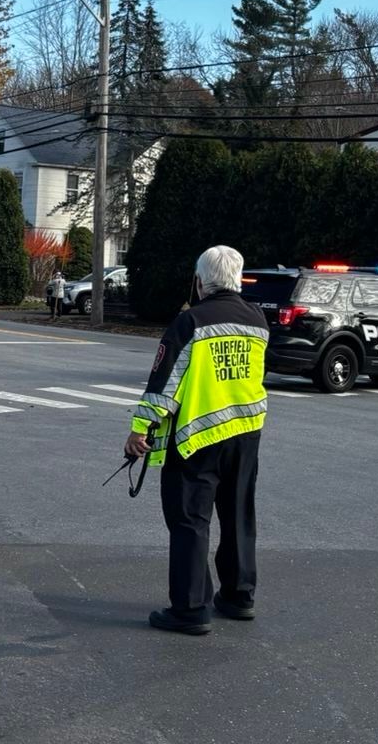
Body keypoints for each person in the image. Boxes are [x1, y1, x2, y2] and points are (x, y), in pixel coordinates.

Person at [125, 245, 269, 635]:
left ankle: (190, 608)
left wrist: (139, 430)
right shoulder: (258, 320)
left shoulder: (190, 322)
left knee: (189, 521)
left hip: (198, 438)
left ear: (201, 280)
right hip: (245, 434)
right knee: (239, 516)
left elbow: (164, 384)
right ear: (238, 278)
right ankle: (239, 597)